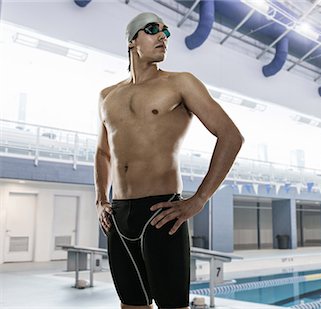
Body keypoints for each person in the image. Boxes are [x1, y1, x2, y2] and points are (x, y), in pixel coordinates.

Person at [94, 12, 244, 309]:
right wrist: (101, 198)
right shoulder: (107, 96)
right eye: (152, 30)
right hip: (120, 216)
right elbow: (102, 153)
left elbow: (230, 136)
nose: (163, 36)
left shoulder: (180, 83)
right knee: (131, 305)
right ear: (132, 40)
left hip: (162, 213)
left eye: (165, 32)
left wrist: (199, 199)